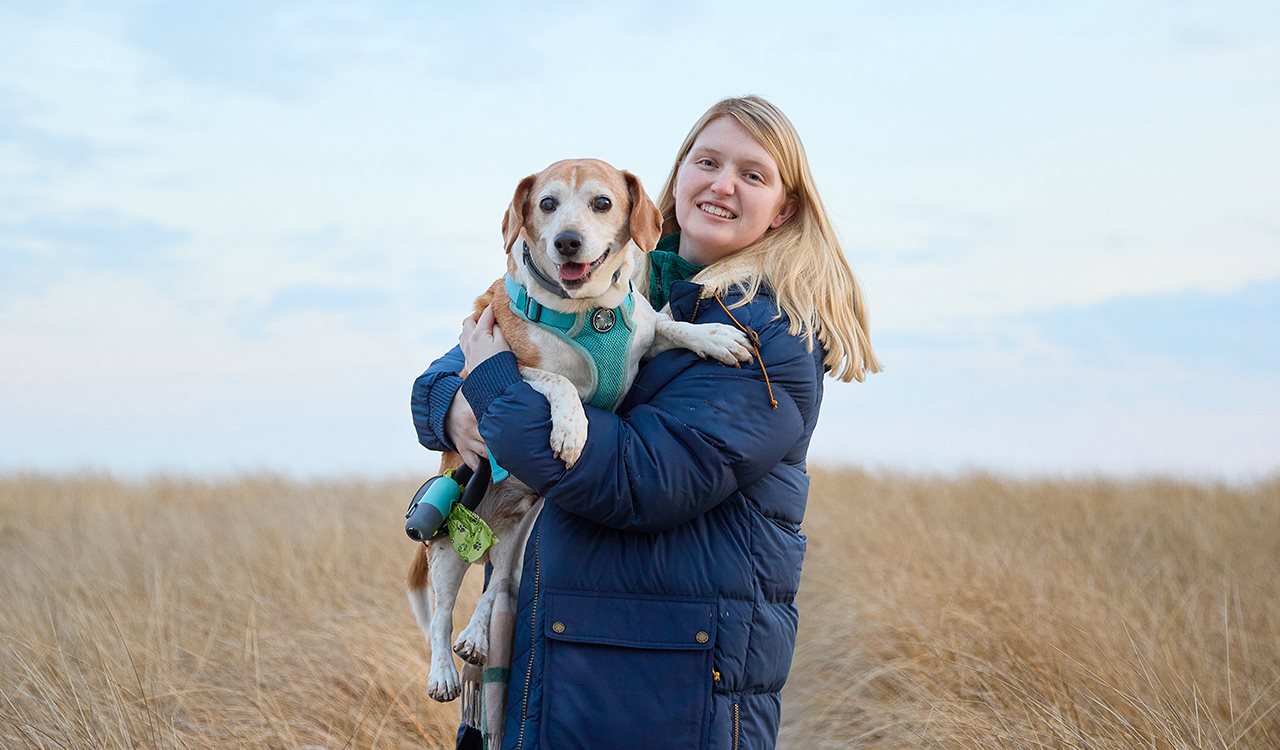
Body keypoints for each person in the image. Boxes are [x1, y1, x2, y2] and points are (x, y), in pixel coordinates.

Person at [411, 95, 880, 750]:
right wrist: (454, 404)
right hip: (556, 657)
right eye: (708, 161)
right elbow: (453, 364)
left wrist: (490, 389)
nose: (722, 184)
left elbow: (639, 479)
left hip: (656, 691)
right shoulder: (610, 281)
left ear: (785, 208)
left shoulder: (764, 335)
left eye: (752, 174)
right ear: (676, 177)